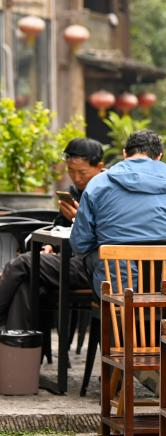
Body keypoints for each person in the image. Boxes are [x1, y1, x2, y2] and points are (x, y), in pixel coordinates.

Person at [70, 129, 166, 295]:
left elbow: (80, 243)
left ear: (124, 154)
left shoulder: (98, 184)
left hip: (117, 290)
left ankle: (110, 309)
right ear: (160, 156)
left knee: (93, 259)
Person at [0, 138, 105, 329]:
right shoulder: (74, 192)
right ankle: (18, 344)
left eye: (82, 172)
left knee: (23, 263)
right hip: (67, 260)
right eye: (71, 171)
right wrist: (49, 246)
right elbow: (59, 226)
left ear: (99, 166)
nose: (76, 178)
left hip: (90, 265)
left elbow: (102, 233)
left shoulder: (106, 191)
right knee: (27, 282)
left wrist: (78, 218)